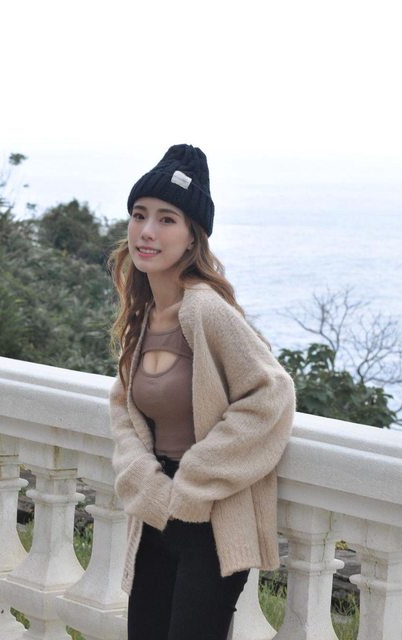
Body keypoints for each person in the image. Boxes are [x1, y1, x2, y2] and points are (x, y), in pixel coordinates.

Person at [108, 144, 296, 640]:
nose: (147, 231)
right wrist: (146, 480)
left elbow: (271, 394)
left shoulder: (205, 309)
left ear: (193, 236)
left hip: (210, 522)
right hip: (157, 510)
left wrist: (193, 481)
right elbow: (123, 407)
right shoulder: (143, 315)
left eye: (166, 219)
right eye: (139, 214)